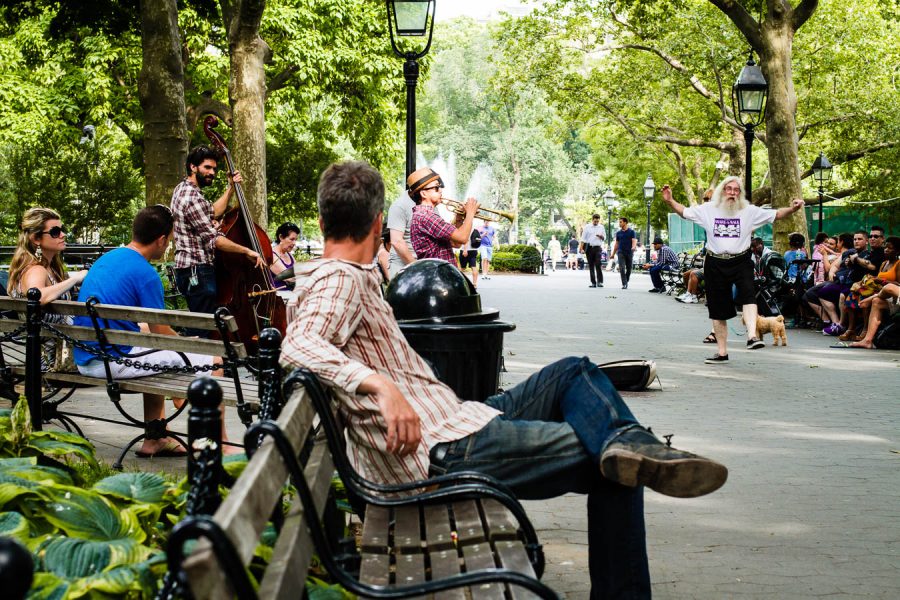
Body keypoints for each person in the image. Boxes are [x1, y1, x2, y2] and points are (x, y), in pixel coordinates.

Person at [281, 160, 728, 598]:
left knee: (574, 370)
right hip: (442, 452)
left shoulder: (342, 276)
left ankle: (630, 440)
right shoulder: (338, 279)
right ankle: (633, 448)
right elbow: (298, 344)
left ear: (321, 221)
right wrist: (379, 385)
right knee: (612, 464)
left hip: (458, 419)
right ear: (379, 221)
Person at [73, 206, 238, 456]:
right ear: (161, 239)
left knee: (154, 352)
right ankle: (217, 443)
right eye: (170, 240)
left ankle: (155, 438)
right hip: (111, 361)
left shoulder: (107, 259)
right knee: (213, 360)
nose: (169, 245)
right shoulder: (146, 273)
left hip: (87, 356)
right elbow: (160, 331)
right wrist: (188, 344)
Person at [661, 176, 805, 364]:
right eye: (728, 189)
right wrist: (670, 200)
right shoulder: (708, 210)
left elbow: (777, 214)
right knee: (717, 310)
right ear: (722, 191)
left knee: (748, 294)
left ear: (740, 194)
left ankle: (752, 336)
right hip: (715, 262)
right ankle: (722, 353)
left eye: (736, 190)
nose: (732, 193)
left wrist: (793, 208)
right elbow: (684, 212)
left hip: (741, 260)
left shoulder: (749, 211)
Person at [171, 145, 264, 334]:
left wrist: (231, 188)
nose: (212, 172)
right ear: (193, 167)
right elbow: (215, 240)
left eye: (214, 169)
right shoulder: (191, 197)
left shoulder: (185, 189)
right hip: (197, 271)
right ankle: (200, 362)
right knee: (204, 329)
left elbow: (213, 211)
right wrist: (247, 250)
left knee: (202, 324)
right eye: (207, 167)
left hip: (191, 270)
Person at [7, 208, 88, 369]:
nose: (63, 235)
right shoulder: (35, 269)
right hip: (54, 358)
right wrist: (77, 278)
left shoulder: (46, 267)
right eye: (55, 232)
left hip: (60, 349)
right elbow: (38, 296)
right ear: (36, 238)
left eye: (62, 230)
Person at [407, 167, 477, 265]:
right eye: (436, 188)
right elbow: (463, 238)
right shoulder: (426, 216)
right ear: (423, 193)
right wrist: (470, 213)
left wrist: (459, 218)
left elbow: (456, 243)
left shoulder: (426, 215)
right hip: (439, 276)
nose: (440, 190)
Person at [387, 191, 417, 277]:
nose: (440, 190)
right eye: (436, 188)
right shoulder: (399, 206)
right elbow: (396, 242)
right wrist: (418, 267)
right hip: (403, 269)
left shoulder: (431, 205)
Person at [270, 222, 300, 290]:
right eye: (291, 239)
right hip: (279, 298)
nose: (294, 243)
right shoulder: (272, 255)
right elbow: (290, 278)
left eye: (295, 240)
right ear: (281, 237)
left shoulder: (289, 255)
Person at [610, 217, 637, 289]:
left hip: (629, 252)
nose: (619, 223)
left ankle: (626, 280)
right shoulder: (618, 233)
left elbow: (634, 240)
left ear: (625, 222)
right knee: (622, 268)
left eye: (621, 222)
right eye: (619, 222)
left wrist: (633, 247)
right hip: (621, 252)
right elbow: (617, 244)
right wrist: (612, 254)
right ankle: (624, 283)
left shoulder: (632, 232)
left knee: (629, 268)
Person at [580, 213, 606, 288]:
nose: (596, 223)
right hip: (589, 248)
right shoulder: (587, 227)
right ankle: (593, 282)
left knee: (598, 264)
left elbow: (605, 237)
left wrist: (601, 236)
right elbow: (583, 238)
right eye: (595, 221)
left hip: (598, 247)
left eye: (597, 221)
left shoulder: (601, 227)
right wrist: (581, 248)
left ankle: (600, 282)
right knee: (591, 265)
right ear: (592, 220)